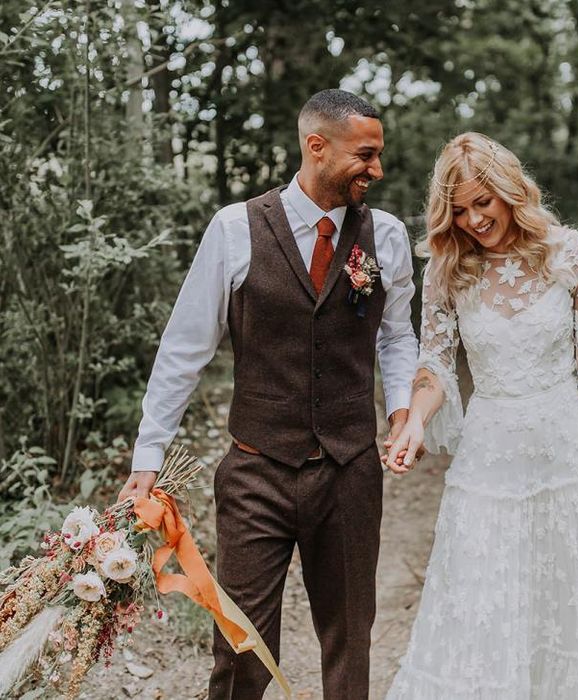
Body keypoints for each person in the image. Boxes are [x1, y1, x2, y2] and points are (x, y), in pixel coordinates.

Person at [117, 89, 418, 699]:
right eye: (365, 155)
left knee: (349, 636)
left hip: (350, 469)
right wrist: (148, 456)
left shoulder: (384, 236)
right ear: (317, 147)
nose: (377, 170)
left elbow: (396, 335)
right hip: (256, 470)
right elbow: (184, 348)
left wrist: (403, 410)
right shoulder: (234, 229)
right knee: (239, 642)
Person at [384, 132, 578, 698]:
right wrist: (415, 419)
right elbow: (435, 365)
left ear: (510, 190)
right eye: (460, 210)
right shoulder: (447, 270)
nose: (472, 220)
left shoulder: (577, 256)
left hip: (566, 451)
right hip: (488, 461)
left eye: (482, 203)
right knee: (485, 604)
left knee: (571, 599)